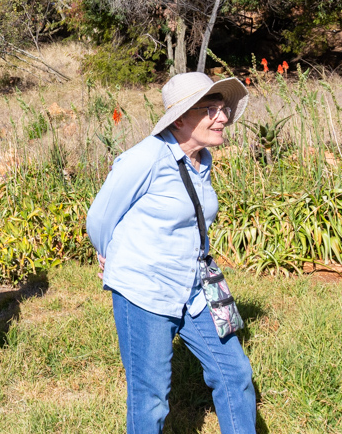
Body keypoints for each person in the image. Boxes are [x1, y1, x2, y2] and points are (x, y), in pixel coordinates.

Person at [86, 71, 255, 434]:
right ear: (179, 118)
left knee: (235, 373)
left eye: (222, 108)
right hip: (144, 290)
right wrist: (108, 256)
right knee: (151, 400)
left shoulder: (203, 160)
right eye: (210, 109)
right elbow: (99, 218)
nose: (222, 117)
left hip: (194, 287)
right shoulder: (145, 157)